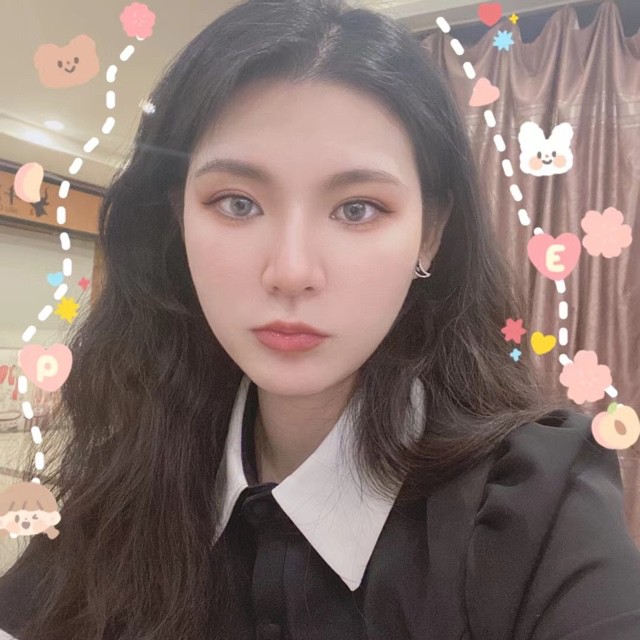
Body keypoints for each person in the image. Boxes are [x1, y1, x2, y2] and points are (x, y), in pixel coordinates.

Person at [1, 0, 639, 638]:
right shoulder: (133, 457)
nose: (291, 271)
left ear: (431, 232)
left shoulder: (541, 502)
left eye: (358, 208)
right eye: (237, 202)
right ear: (179, 218)